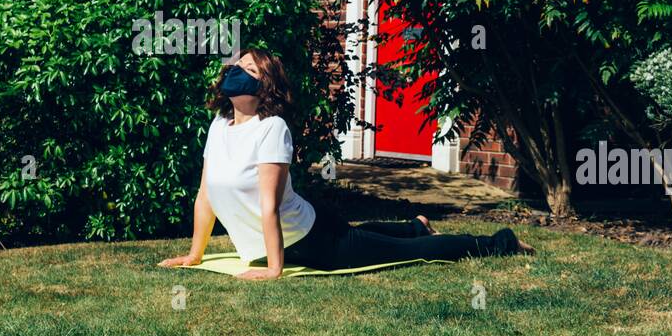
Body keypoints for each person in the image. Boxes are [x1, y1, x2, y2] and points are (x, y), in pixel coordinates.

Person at [160, 50, 531, 280]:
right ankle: (414, 225)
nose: (238, 71)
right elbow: (205, 196)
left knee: (401, 254)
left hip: (309, 239)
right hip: (281, 238)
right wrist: (195, 255)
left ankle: (499, 242)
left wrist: (275, 269)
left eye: (251, 71)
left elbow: (268, 205)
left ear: (266, 88)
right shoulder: (218, 127)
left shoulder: (270, 128)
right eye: (237, 66)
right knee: (366, 236)